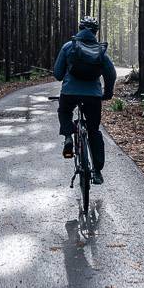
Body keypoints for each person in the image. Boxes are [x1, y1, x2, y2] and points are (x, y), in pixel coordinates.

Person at [53, 16, 117, 185]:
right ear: (95, 32)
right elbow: (111, 74)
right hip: (93, 96)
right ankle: (96, 172)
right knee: (94, 130)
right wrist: (107, 93)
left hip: (69, 93)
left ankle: (68, 136)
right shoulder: (100, 51)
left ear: (80, 28)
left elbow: (58, 74)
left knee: (65, 111)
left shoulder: (69, 46)